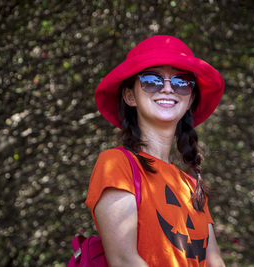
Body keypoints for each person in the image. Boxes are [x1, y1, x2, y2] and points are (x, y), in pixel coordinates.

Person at [85, 35, 225, 267]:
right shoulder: (116, 163)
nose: (168, 89)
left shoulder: (192, 185)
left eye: (181, 83)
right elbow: (124, 260)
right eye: (152, 81)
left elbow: (215, 263)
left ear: (189, 99)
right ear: (130, 96)